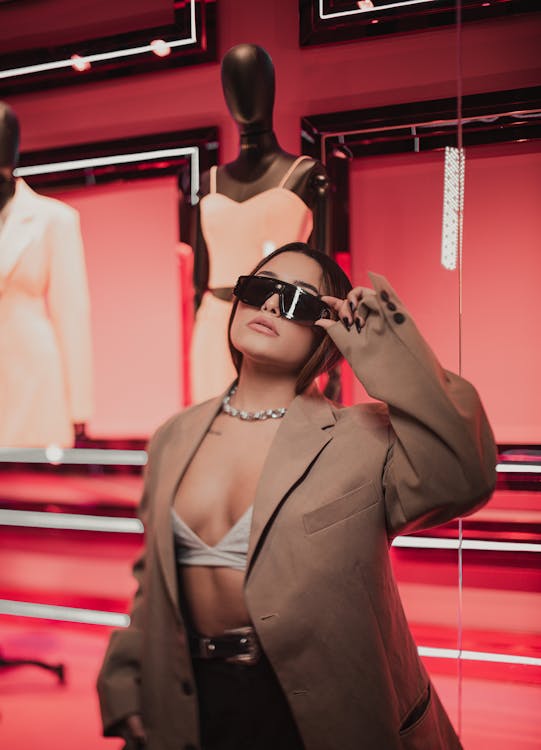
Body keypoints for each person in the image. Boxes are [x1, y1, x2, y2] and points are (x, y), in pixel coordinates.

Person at [97, 242, 496, 750]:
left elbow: (466, 473)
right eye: (260, 289)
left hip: (316, 709)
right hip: (190, 701)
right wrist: (126, 682)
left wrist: (387, 352)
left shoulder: (364, 438)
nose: (268, 306)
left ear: (328, 335)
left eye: (296, 301)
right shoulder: (174, 435)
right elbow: (152, 581)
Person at [188, 44, 329, 403]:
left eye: (253, 82)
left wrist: (333, 361)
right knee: (215, 438)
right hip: (214, 326)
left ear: (271, 88)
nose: (244, 95)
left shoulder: (306, 174)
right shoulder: (209, 181)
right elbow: (197, 279)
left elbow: (328, 284)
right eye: (234, 83)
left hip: (281, 321)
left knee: (276, 438)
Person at [0, 101, 93, 447]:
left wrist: (79, 406)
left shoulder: (54, 219)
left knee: (27, 485)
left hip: (33, 369)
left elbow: (72, 313)